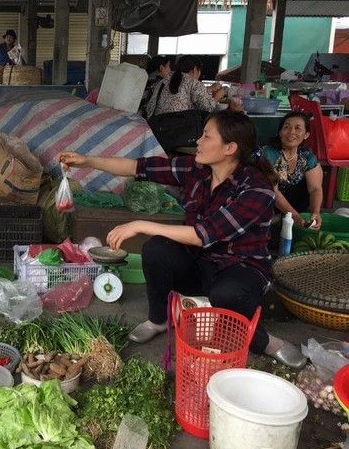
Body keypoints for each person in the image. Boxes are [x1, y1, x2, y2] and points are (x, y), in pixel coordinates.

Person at [58, 110, 307, 369]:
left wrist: (141, 224)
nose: (198, 141)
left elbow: (202, 235)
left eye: (206, 136)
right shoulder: (197, 170)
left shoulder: (255, 188)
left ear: (229, 148)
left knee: (227, 292)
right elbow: (136, 167)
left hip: (241, 268)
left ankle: (263, 340)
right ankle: (159, 320)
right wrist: (86, 161)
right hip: (201, 262)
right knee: (156, 249)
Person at [262, 112, 323, 229]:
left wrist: (315, 211)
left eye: (298, 128)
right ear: (280, 132)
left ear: (306, 135)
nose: (291, 132)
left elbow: (315, 189)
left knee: (313, 178)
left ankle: (286, 219)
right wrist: (295, 216)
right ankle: (276, 219)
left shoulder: (306, 155)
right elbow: (272, 191)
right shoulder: (269, 153)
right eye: (287, 127)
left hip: (292, 201)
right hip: (268, 200)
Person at [145, 55, 233, 119]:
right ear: (195, 69)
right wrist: (218, 96)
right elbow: (208, 108)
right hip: (180, 129)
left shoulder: (163, 81)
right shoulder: (193, 83)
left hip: (158, 126)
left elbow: (150, 108)